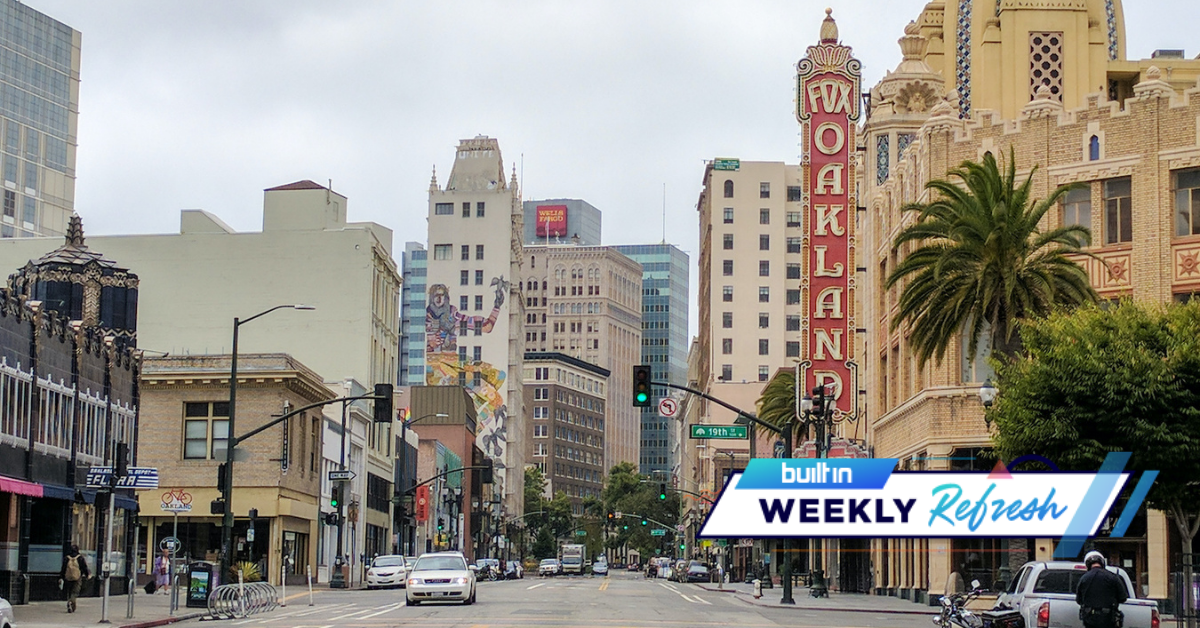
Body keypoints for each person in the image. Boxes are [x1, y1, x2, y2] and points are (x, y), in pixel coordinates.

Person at [1076, 551, 1128, 628]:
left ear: (1087, 564)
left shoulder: (1083, 579)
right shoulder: (1113, 577)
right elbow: (1123, 598)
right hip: (1108, 619)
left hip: (1090, 619)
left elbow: (1078, 600)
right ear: (1102, 562)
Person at [59, 545, 90, 613]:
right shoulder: (80, 558)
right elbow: (84, 567)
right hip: (77, 577)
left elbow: (63, 568)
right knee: (75, 591)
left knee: (69, 591)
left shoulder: (66, 558)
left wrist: (61, 577)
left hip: (68, 577)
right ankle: (71, 602)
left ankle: (70, 602)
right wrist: (87, 575)